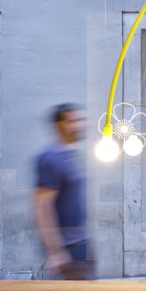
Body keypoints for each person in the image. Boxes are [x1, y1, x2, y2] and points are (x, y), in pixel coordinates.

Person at [34, 104, 95, 279]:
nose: (79, 125)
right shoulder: (50, 158)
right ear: (58, 126)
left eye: (81, 120)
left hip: (80, 241)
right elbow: (42, 208)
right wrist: (55, 251)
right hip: (66, 248)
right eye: (72, 121)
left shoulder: (71, 156)